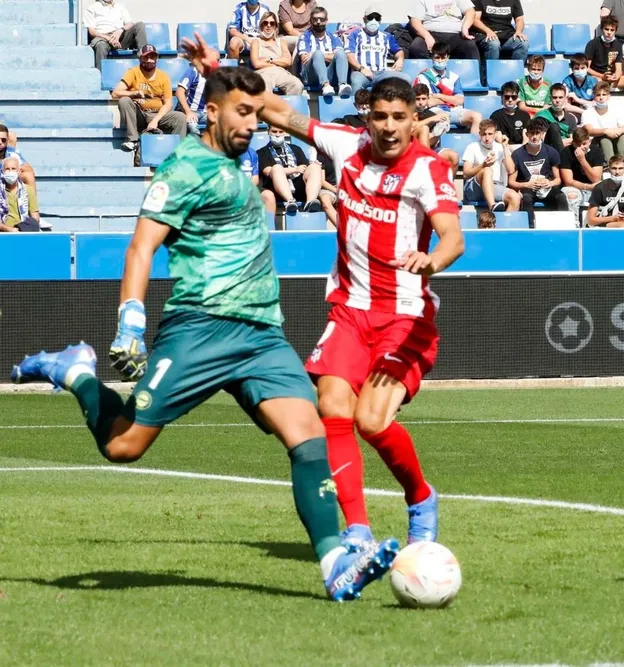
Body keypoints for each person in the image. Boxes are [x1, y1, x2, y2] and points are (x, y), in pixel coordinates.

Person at [11, 65, 399, 602]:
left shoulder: (235, 163)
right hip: (200, 328)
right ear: (211, 112)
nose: (252, 123)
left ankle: (334, 562)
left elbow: (252, 101)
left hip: (262, 334)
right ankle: (76, 371)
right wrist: (131, 318)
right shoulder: (183, 169)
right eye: (243, 113)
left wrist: (218, 70)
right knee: (124, 445)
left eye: (256, 114)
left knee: (309, 436)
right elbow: (142, 246)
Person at [177, 31, 469, 549]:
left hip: (405, 318)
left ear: (412, 121)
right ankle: (356, 530)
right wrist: (216, 70)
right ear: (368, 117)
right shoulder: (346, 146)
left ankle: (420, 497)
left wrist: (430, 261)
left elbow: (453, 239)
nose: (388, 127)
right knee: (331, 408)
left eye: (399, 118)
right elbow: (274, 110)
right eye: (380, 117)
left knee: (372, 421)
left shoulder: (427, 170)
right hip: (350, 312)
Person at [112, 46, 187, 154]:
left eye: (152, 57)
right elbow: (115, 93)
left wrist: (155, 120)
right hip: (140, 113)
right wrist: (134, 94)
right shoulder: (133, 72)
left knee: (180, 117)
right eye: (146, 57)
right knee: (124, 100)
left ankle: (178, 153)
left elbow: (168, 104)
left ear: (157, 59)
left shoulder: (163, 76)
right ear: (140, 58)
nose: (149, 60)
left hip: (157, 114)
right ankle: (132, 140)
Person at [509, 117, 568, 225]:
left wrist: (549, 183)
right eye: (531, 134)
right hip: (527, 187)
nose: (534, 137)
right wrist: (527, 185)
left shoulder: (551, 152)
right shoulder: (517, 154)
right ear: (527, 135)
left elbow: (558, 179)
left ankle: (563, 227)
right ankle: (530, 227)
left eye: (537, 133)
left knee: (561, 196)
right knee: (526, 198)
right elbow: (511, 182)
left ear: (542, 134)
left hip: (546, 187)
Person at [414, 43, 482, 134]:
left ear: (448, 58)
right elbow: (430, 102)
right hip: (434, 110)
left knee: (477, 116)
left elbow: (460, 100)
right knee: (443, 120)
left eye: (443, 58)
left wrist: (439, 96)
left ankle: (473, 146)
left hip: (453, 110)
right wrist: (451, 99)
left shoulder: (454, 77)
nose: (440, 60)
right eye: (437, 57)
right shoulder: (424, 76)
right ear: (432, 58)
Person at [257, 125, 324, 214]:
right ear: (268, 131)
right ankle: (290, 201)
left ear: (285, 132)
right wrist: (295, 169)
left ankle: (311, 202)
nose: (277, 135)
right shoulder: (261, 152)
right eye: (274, 131)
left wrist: (314, 165)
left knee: (315, 167)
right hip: (277, 191)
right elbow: (268, 171)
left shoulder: (296, 149)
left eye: (280, 132)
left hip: (299, 188)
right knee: (276, 168)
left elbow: (305, 168)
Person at [462, 119, 520, 212]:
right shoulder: (472, 147)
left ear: (495, 134)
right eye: (484, 134)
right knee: (487, 170)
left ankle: (503, 225)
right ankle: (492, 206)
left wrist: (505, 147)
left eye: (490, 134)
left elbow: (511, 170)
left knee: (515, 197)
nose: (487, 138)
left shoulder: (500, 147)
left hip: (495, 186)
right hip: (475, 188)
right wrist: (483, 165)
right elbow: (465, 174)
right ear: (479, 134)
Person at [347, 7, 410, 92]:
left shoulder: (386, 36)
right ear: (364, 19)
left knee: (406, 79)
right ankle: (355, 105)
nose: (374, 20)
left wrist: (400, 59)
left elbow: (398, 51)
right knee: (357, 81)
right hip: (361, 72)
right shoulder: (355, 35)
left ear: (380, 20)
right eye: (370, 17)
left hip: (381, 73)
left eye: (377, 18)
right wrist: (361, 69)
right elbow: (349, 55)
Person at [294, 7, 352, 97]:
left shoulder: (333, 37)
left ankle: (342, 85)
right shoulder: (305, 37)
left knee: (340, 53)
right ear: (310, 21)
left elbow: (339, 57)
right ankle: (325, 85)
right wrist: (321, 55)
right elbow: (304, 58)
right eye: (315, 19)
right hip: (310, 75)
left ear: (326, 21)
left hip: (329, 73)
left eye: (321, 19)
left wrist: (316, 55)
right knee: (317, 54)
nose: (318, 22)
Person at [250, 11, 306, 95]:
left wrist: (270, 59)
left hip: (281, 73)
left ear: (275, 26)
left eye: (272, 23)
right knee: (264, 84)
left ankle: (288, 107)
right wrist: (278, 62)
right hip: (264, 73)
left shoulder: (281, 42)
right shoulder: (256, 42)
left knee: (297, 84)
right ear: (262, 25)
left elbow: (288, 62)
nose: (268, 25)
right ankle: (269, 107)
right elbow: (256, 64)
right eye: (265, 23)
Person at [83, 0, 148, 70]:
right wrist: (109, 38)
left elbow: (130, 23)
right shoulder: (92, 8)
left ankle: (145, 60)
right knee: (100, 46)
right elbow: (92, 32)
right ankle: (102, 75)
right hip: (103, 38)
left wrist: (120, 30)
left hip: (120, 37)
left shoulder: (120, 7)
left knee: (140, 25)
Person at [560, 127, 606, 223]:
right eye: (578, 144)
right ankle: (574, 224)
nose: (581, 147)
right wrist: (587, 187)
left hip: (593, 186)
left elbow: (596, 178)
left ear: (589, 141)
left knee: (604, 192)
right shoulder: (566, 152)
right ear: (573, 143)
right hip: (575, 187)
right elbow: (568, 181)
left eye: (584, 144)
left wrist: (582, 160)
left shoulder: (596, 151)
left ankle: (597, 223)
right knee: (572, 196)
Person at [585, 16, 624, 97]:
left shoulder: (619, 45)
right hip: (597, 77)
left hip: (611, 77)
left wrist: (616, 76)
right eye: (606, 29)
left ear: (615, 30)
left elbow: (619, 68)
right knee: (599, 83)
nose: (609, 32)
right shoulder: (592, 44)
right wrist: (601, 76)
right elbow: (586, 68)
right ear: (601, 29)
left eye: (612, 30)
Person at [408, 0, 481, 60]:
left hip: (456, 34)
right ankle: (428, 74)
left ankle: (473, 77)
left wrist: (465, 28)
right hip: (432, 35)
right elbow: (415, 21)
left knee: (470, 46)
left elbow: (471, 12)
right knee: (417, 46)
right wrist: (427, 36)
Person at [582, 82, 624, 164]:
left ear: (609, 96)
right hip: (595, 144)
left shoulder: (617, 110)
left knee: (622, 136)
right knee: (604, 138)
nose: (601, 98)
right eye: (598, 95)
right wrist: (606, 131)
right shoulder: (587, 113)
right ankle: (609, 164)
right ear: (594, 97)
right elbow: (588, 130)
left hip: (614, 141)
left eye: (604, 95)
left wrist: (618, 130)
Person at [412, 83, 459, 169]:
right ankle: (426, 164)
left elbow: (432, 141)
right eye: (417, 99)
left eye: (423, 99)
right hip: (412, 149)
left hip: (431, 148)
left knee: (453, 156)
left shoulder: (430, 114)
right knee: (424, 128)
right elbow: (410, 128)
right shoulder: (408, 112)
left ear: (428, 98)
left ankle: (447, 182)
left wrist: (440, 129)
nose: (421, 102)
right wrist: (432, 119)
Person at [587, 155, 624, 227]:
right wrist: (612, 218)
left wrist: (621, 221)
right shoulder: (599, 188)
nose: (617, 172)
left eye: (620, 168)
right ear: (609, 169)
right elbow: (591, 220)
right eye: (614, 168)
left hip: (621, 226)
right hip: (601, 226)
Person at [1, 156, 41, 232]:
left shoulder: (28, 189)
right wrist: (9, 229)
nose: (10, 172)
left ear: (19, 171)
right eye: (7, 169)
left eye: (13, 169)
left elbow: (35, 215)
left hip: (23, 232)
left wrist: (21, 229)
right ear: (2, 171)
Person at [535, 84, 578, 151]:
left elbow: (574, 141)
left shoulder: (571, 118)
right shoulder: (542, 116)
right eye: (555, 97)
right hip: (549, 151)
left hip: (567, 152)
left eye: (560, 97)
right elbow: (545, 140)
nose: (557, 100)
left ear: (565, 99)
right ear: (550, 98)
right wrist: (565, 141)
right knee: (554, 126)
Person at [177, 63, 209, 136]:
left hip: (207, 113)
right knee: (192, 126)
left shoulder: (217, 74)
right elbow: (179, 92)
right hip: (192, 111)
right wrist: (188, 112)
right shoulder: (193, 71)